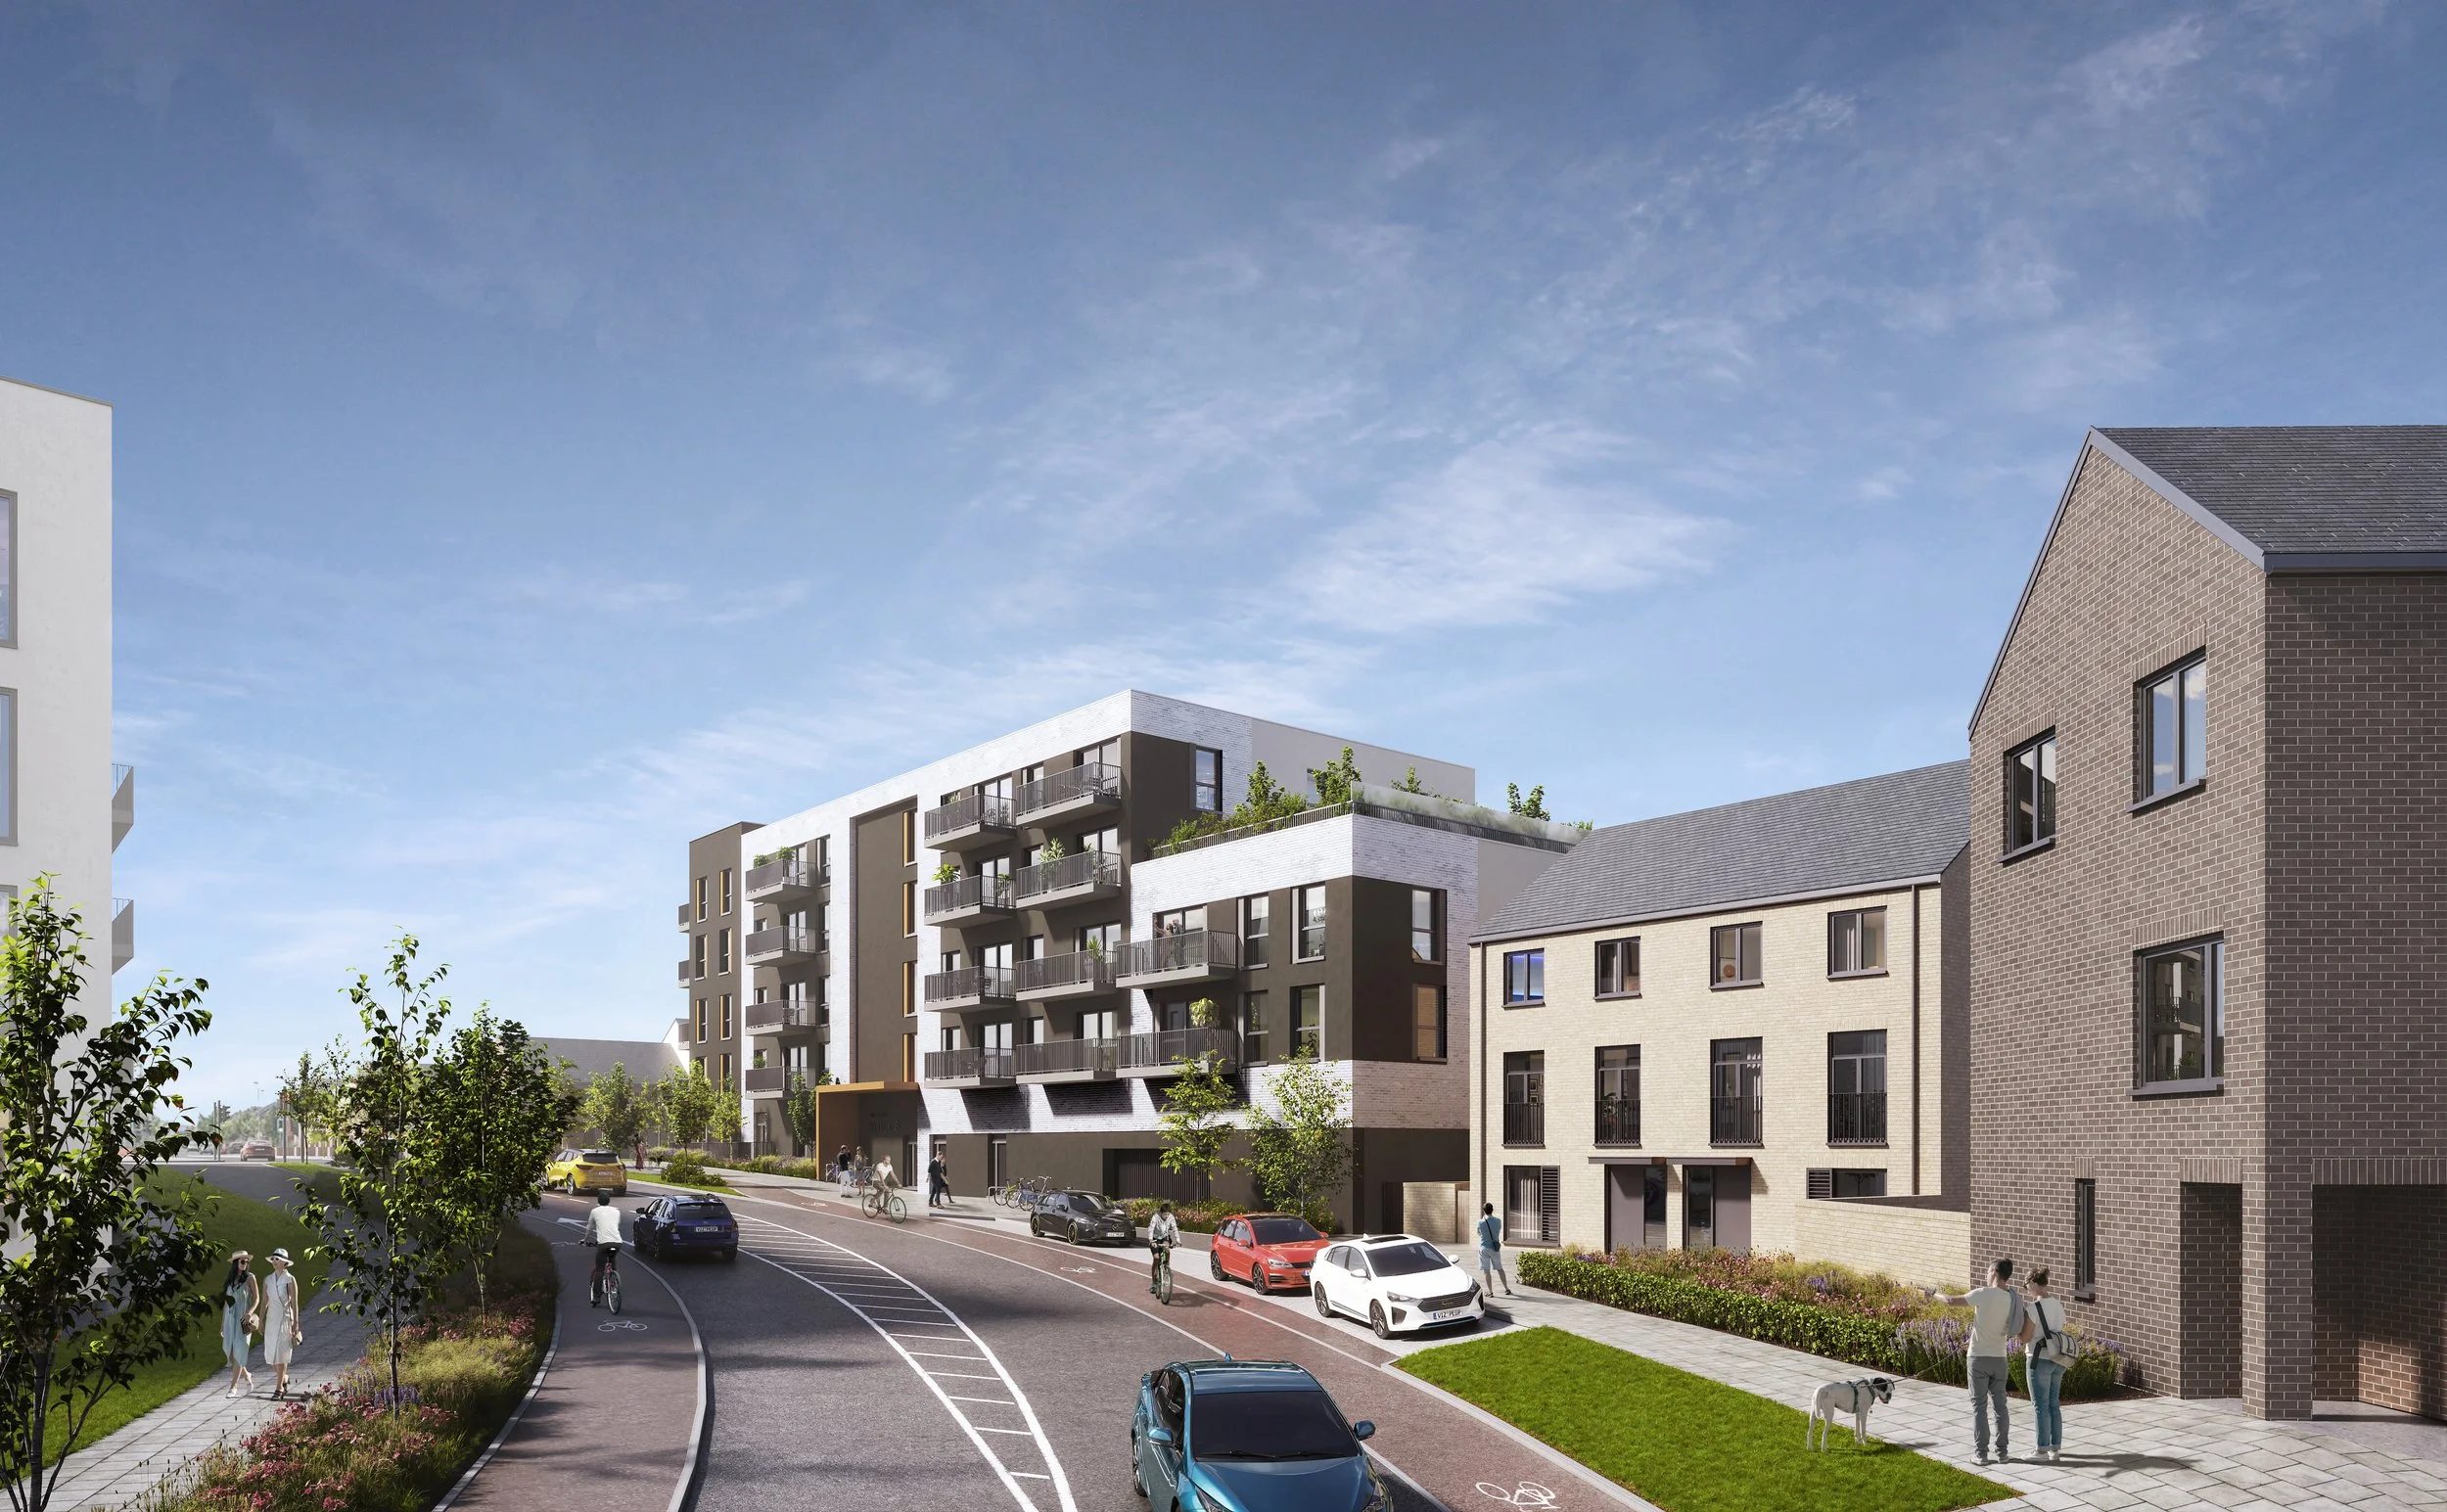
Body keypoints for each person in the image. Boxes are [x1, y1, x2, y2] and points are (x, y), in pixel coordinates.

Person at [1932, 1258, 2025, 1466]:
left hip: (1978, 1359)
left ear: (1993, 1271)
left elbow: (1950, 1301)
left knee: (1979, 1407)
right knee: (2001, 1407)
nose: (1985, 1275)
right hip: (2000, 1358)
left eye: (1987, 1271)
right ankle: (2002, 1453)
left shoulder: (1983, 1293)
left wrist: (1932, 1294)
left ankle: (1981, 1455)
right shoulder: (2012, 1298)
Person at [2020, 1267, 2071, 1463]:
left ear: (2033, 1282)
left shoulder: (2034, 1308)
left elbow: (2026, 1336)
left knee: (2040, 1406)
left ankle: (2041, 1451)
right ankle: (2054, 1449)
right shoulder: (2058, 1305)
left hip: (2038, 1359)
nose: (2027, 1290)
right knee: (2053, 1403)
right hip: (2058, 1359)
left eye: (2026, 1286)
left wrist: (2016, 1334)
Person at [260, 1249, 302, 1398]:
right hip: (271, 1319)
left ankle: (278, 1388)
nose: (274, 1261)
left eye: (277, 1259)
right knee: (271, 1355)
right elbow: (265, 1301)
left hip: (285, 1318)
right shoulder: (267, 1279)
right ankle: (284, 1378)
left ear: (284, 1263)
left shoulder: (290, 1279)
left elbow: (295, 1303)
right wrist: (260, 1320)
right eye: (273, 1259)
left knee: (282, 1353)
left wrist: (296, 1324)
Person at [220, 1250, 261, 1397]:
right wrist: (223, 1324)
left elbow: (256, 1298)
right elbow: (227, 1303)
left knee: (240, 1351)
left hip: (243, 1320)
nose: (245, 1264)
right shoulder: (230, 1280)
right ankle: (247, 1375)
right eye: (242, 1261)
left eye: (246, 1261)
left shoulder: (250, 1278)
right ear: (235, 1263)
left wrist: (250, 1312)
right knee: (230, 1353)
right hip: (230, 1319)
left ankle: (233, 1386)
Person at [586, 1190, 624, 1306]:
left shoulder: (594, 1211)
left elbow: (589, 1228)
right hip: (617, 1243)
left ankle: (596, 1297)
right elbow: (615, 1225)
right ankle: (615, 1280)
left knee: (599, 1270)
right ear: (609, 1201)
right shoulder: (616, 1211)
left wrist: (585, 1240)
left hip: (603, 1244)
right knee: (613, 1262)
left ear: (598, 1201)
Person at [1476, 1203, 1514, 1297]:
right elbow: (1497, 1231)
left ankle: (1490, 1292)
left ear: (1483, 1211)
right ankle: (1506, 1288)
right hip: (1495, 1248)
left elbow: (1478, 1233)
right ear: (1492, 1210)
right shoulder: (1498, 1221)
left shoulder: (1480, 1222)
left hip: (1484, 1248)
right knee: (1500, 1269)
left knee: (1486, 1271)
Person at [1145, 1201, 1180, 1294]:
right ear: (1161, 1213)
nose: (1166, 1216)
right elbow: (1151, 1229)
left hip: (1164, 1237)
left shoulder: (1171, 1217)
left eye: (1168, 1214)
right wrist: (1151, 1240)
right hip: (1155, 1238)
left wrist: (1178, 1240)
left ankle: (1166, 1267)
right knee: (1156, 1258)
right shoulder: (1155, 1217)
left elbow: (1175, 1228)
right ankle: (1153, 1283)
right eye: (1165, 1215)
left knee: (1167, 1249)